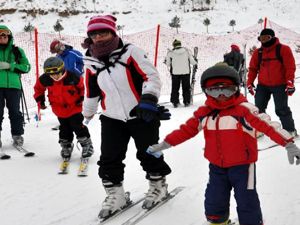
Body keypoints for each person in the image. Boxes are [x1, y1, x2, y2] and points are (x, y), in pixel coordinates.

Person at [146, 63, 300, 225]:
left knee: (247, 201)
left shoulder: (244, 110)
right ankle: (219, 222)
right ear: (206, 92)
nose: (221, 95)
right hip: (217, 167)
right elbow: (186, 130)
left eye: (226, 89)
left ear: (236, 89)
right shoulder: (205, 113)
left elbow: (268, 125)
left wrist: (288, 144)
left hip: (243, 167)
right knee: (214, 200)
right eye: (214, 90)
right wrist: (165, 144)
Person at [81, 15, 172, 219]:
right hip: (111, 117)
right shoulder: (90, 62)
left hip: (141, 113)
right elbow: (92, 91)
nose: (98, 38)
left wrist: (148, 100)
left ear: (113, 32)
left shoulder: (131, 52)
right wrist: (87, 114)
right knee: (109, 158)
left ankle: (158, 186)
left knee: (148, 152)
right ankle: (116, 194)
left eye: (103, 32)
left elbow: (152, 76)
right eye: (94, 34)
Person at [33, 57, 94, 161]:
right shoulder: (45, 79)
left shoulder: (73, 77)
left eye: (57, 73)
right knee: (64, 128)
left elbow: (82, 87)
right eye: (51, 75)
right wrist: (40, 100)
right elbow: (38, 89)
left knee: (77, 126)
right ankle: (66, 146)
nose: (55, 76)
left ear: (62, 70)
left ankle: (86, 144)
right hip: (58, 109)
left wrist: (81, 98)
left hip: (74, 107)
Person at [246, 28, 297, 137]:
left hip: (280, 84)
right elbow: (253, 68)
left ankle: (290, 131)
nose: (264, 41)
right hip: (263, 85)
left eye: (266, 38)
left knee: (281, 109)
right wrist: (250, 82)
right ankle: (260, 129)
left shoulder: (283, 49)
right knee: (258, 108)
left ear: (272, 37)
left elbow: (290, 67)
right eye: (261, 39)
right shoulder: (258, 52)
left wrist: (290, 82)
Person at [0, 25, 31, 148]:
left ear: (9, 36)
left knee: (15, 112)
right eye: (0, 35)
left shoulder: (17, 51)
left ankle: (17, 135)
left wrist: (10, 66)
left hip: (14, 86)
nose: (2, 37)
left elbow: (27, 67)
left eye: (4, 35)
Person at [165, 39, 197, 107]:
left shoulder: (170, 53)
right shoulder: (187, 51)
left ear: (174, 45)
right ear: (180, 44)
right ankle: (186, 101)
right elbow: (193, 62)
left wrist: (167, 62)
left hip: (175, 73)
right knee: (186, 87)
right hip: (186, 72)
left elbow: (167, 64)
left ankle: (175, 102)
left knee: (175, 88)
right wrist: (195, 60)